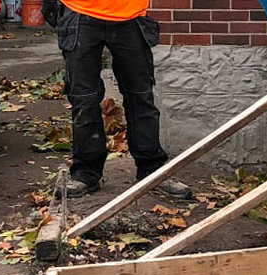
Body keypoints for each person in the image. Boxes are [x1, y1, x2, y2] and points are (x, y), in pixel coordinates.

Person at [42, 0, 191, 198]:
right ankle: (86, 173)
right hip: (80, 11)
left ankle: (152, 169)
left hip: (130, 15)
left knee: (140, 98)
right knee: (83, 100)